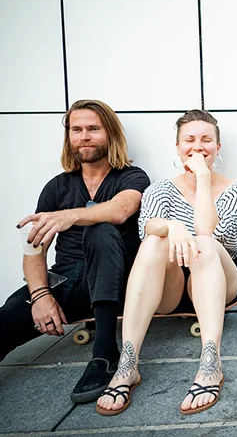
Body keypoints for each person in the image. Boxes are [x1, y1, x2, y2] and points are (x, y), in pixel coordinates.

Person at [96, 109, 237, 416]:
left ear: (217, 148)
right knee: (155, 240)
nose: (198, 146)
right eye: (189, 140)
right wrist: (172, 227)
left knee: (204, 242)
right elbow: (146, 229)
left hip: (218, 276)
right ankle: (128, 364)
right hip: (170, 286)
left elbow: (209, 232)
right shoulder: (160, 189)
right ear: (178, 147)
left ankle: (210, 363)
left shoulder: (235, 190)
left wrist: (203, 178)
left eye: (207, 140)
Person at [0, 100, 150, 403]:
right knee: (6, 318)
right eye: (76, 129)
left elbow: (121, 210)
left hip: (118, 282)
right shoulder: (57, 187)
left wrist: (70, 216)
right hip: (66, 283)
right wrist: (41, 295)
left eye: (93, 129)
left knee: (101, 229)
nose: (84, 136)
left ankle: (105, 354)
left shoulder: (132, 177)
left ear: (110, 134)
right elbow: (34, 251)